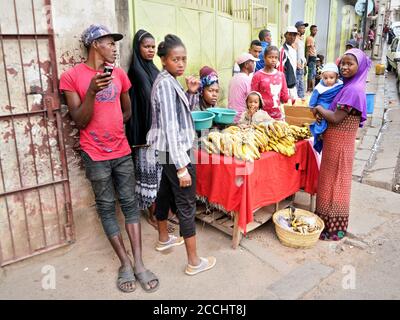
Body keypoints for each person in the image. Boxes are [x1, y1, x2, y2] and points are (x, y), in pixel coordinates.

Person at [60, 25, 159, 293]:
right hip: (94, 155)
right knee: (106, 206)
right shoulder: (71, 77)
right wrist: (91, 92)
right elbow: (80, 121)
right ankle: (124, 262)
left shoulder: (119, 74)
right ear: (95, 45)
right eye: (109, 42)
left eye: (115, 43)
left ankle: (138, 263)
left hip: (122, 152)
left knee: (129, 204)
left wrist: (113, 130)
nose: (115, 47)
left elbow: (127, 111)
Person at [147, 34, 217, 275]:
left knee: (165, 193)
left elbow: (177, 113)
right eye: (175, 59)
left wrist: (190, 93)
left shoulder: (168, 80)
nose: (181, 64)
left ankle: (164, 238)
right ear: (164, 60)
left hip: (166, 150)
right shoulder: (166, 83)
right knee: (186, 203)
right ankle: (194, 262)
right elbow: (170, 126)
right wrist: (181, 167)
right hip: (175, 151)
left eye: (184, 59)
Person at [312, 48, 372, 241]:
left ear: (359, 66)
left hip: (340, 146)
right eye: (342, 63)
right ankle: (325, 225)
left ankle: (332, 229)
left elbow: (336, 117)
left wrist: (319, 108)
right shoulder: (347, 86)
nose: (344, 67)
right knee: (330, 183)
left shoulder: (353, 90)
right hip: (335, 145)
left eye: (350, 64)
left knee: (335, 185)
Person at [125, 29, 176, 233]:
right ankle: (153, 215)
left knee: (162, 175)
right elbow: (143, 105)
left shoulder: (154, 70)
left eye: (153, 47)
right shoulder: (135, 73)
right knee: (150, 178)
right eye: (146, 46)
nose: (150, 50)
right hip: (146, 136)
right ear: (138, 48)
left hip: (160, 134)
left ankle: (163, 212)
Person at [308, 63, 344, 153]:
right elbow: (313, 100)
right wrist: (313, 109)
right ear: (322, 77)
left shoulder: (339, 85)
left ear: (336, 77)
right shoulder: (319, 88)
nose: (328, 80)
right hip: (323, 104)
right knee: (321, 122)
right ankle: (319, 134)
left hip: (333, 107)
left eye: (331, 78)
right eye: (325, 78)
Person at [252, 46, 290, 120]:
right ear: (264, 58)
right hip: (261, 117)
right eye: (270, 57)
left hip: (278, 116)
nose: (273, 60)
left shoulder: (281, 75)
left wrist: (292, 100)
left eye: (276, 58)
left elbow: (284, 96)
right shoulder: (258, 75)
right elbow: (253, 97)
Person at [228, 53, 259, 122]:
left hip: (230, 116)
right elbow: (252, 101)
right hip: (241, 118)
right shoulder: (247, 80)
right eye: (252, 62)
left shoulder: (233, 78)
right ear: (246, 65)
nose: (254, 64)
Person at [279, 26, 298, 101]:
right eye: (290, 34)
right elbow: (280, 69)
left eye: (294, 35)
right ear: (285, 35)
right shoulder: (282, 50)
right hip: (286, 86)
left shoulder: (292, 49)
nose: (292, 37)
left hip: (292, 84)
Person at [294, 21, 309, 99]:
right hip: (297, 67)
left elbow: (301, 53)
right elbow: (294, 52)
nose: (304, 29)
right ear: (297, 29)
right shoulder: (295, 39)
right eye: (302, 28)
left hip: (302, 66)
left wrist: (305, 62)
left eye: (304, 28)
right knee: (298, 85)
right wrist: (296, 63)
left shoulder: (300, 39)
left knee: (301, 85)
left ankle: (301, 101)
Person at [306, 25, 318, 92]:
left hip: (314, 58)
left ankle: (312, 89)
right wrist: (307, 61)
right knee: (310, 74)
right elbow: (308, 50)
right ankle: (308, 89)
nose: (315, 31)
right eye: (314, 30)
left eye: (316, 30)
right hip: (311, 58)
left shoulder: (312, 38)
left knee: (313, 74)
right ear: (310, 30)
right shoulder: (309, 38)